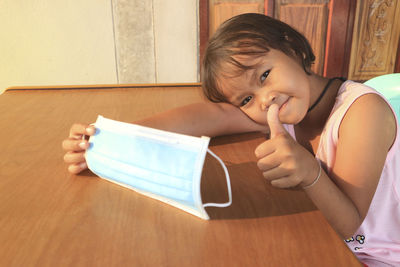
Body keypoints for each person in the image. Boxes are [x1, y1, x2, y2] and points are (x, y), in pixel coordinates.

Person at [62, 13, 399, 266]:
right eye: (245, 100)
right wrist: (113, 136)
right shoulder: (282, 110)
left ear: (293, 49)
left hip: (376, 253)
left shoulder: (361, 113)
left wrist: (310, 173)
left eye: (264, 75)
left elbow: (351, 225)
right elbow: (213, 115)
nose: (264, 99)